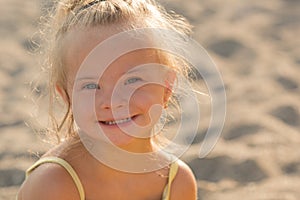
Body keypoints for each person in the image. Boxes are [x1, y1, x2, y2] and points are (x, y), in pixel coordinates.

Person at [17, 0, 198, 199]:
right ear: (67, 97)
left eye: (132, 80)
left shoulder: (177, 182)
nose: (113, 102)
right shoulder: (54, 184)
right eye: (92, 86)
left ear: (167, 88)